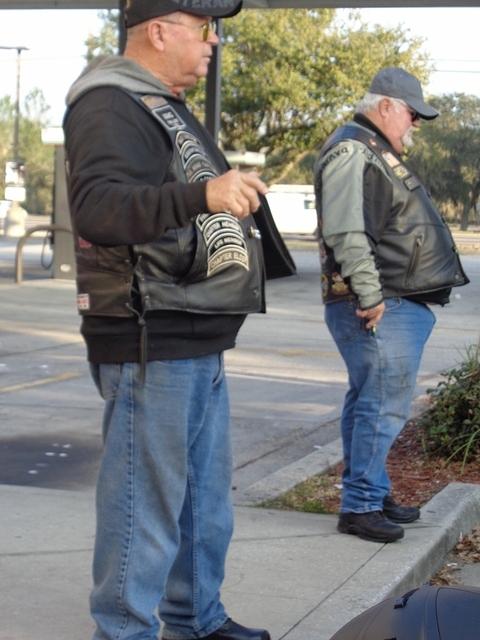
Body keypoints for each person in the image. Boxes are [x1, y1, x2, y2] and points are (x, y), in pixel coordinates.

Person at [63, 1, 274, 638]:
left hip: (193, 331)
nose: (213, 43)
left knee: (205, 508)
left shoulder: (159, 105)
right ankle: (124, 630)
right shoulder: (108, 103)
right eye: (203, 28)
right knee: (143, 509)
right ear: (158, 31)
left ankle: (196, 620)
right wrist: (203, 194)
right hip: (148, 334)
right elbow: (98, 208)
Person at [314, 67, 469, 544]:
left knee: (369, 401)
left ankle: (373, 492)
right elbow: (345, 230)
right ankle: (359, 506)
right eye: (411, 114)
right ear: (384, 106)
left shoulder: (369, 150)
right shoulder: (352, 150)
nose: (415, 125)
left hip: (393, 302)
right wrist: (370, 292)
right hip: (383, 304)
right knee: (381, 407)